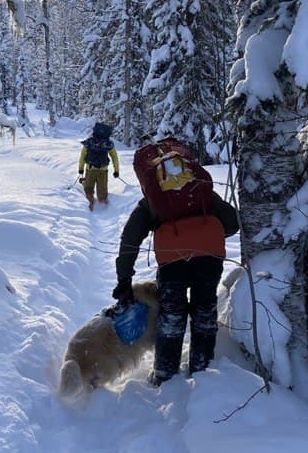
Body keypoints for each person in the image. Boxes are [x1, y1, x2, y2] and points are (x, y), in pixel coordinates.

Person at [112, 156, 238, 385]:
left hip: (172, 261)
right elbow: (232, 222)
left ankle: (164, 374)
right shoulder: (201, 190)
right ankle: (203, 369)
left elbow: (130, 239)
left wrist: (124, 278)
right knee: (204, 310)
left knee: (171, 314)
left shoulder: (154, 199)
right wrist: (204, 234)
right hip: (209, 256)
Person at [77, 121, 120, 209]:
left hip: (90, 169)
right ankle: (104, 208)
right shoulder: (108, 143)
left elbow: (82, 156)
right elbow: (114, 157)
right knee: (102, 194)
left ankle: (90, 204)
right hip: (103, 171)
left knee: (88, 190)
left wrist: (80, 169)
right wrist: (116, 171)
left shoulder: (89, 142)